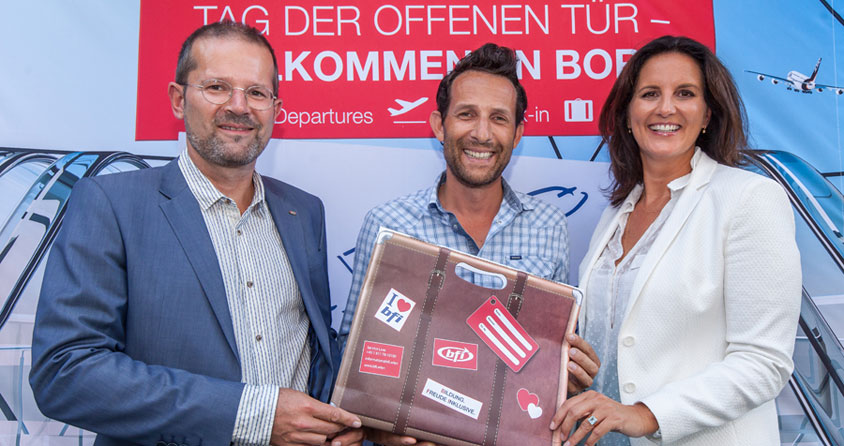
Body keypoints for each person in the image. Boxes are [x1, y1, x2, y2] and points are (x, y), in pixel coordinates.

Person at [29, 21, 363, 446]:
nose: (239, 107)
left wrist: (356, 418)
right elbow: (65, 371)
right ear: (178, 99)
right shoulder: (111, 203)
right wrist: (254, 415)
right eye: (217, 87)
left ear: (276, 108)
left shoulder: (305, 211)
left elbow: (311, 350)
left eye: (256, 92)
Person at [337, 43, 600, 445]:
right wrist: (379, 430)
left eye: (499, 118)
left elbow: (550, 358)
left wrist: (569, 374)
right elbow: (354, 355)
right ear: (439, 125)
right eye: (466, 114)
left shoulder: (549, 226)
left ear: (518, 134)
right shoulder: (389, 225)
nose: (482, 133)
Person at [550, 35, 802, 445]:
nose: (665, 108)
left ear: (707, 114)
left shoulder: (749, 199)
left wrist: (645, 414)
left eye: (685, 93)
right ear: (628, 113)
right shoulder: (615, 216)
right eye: (650, 94)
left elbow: (764, 362)